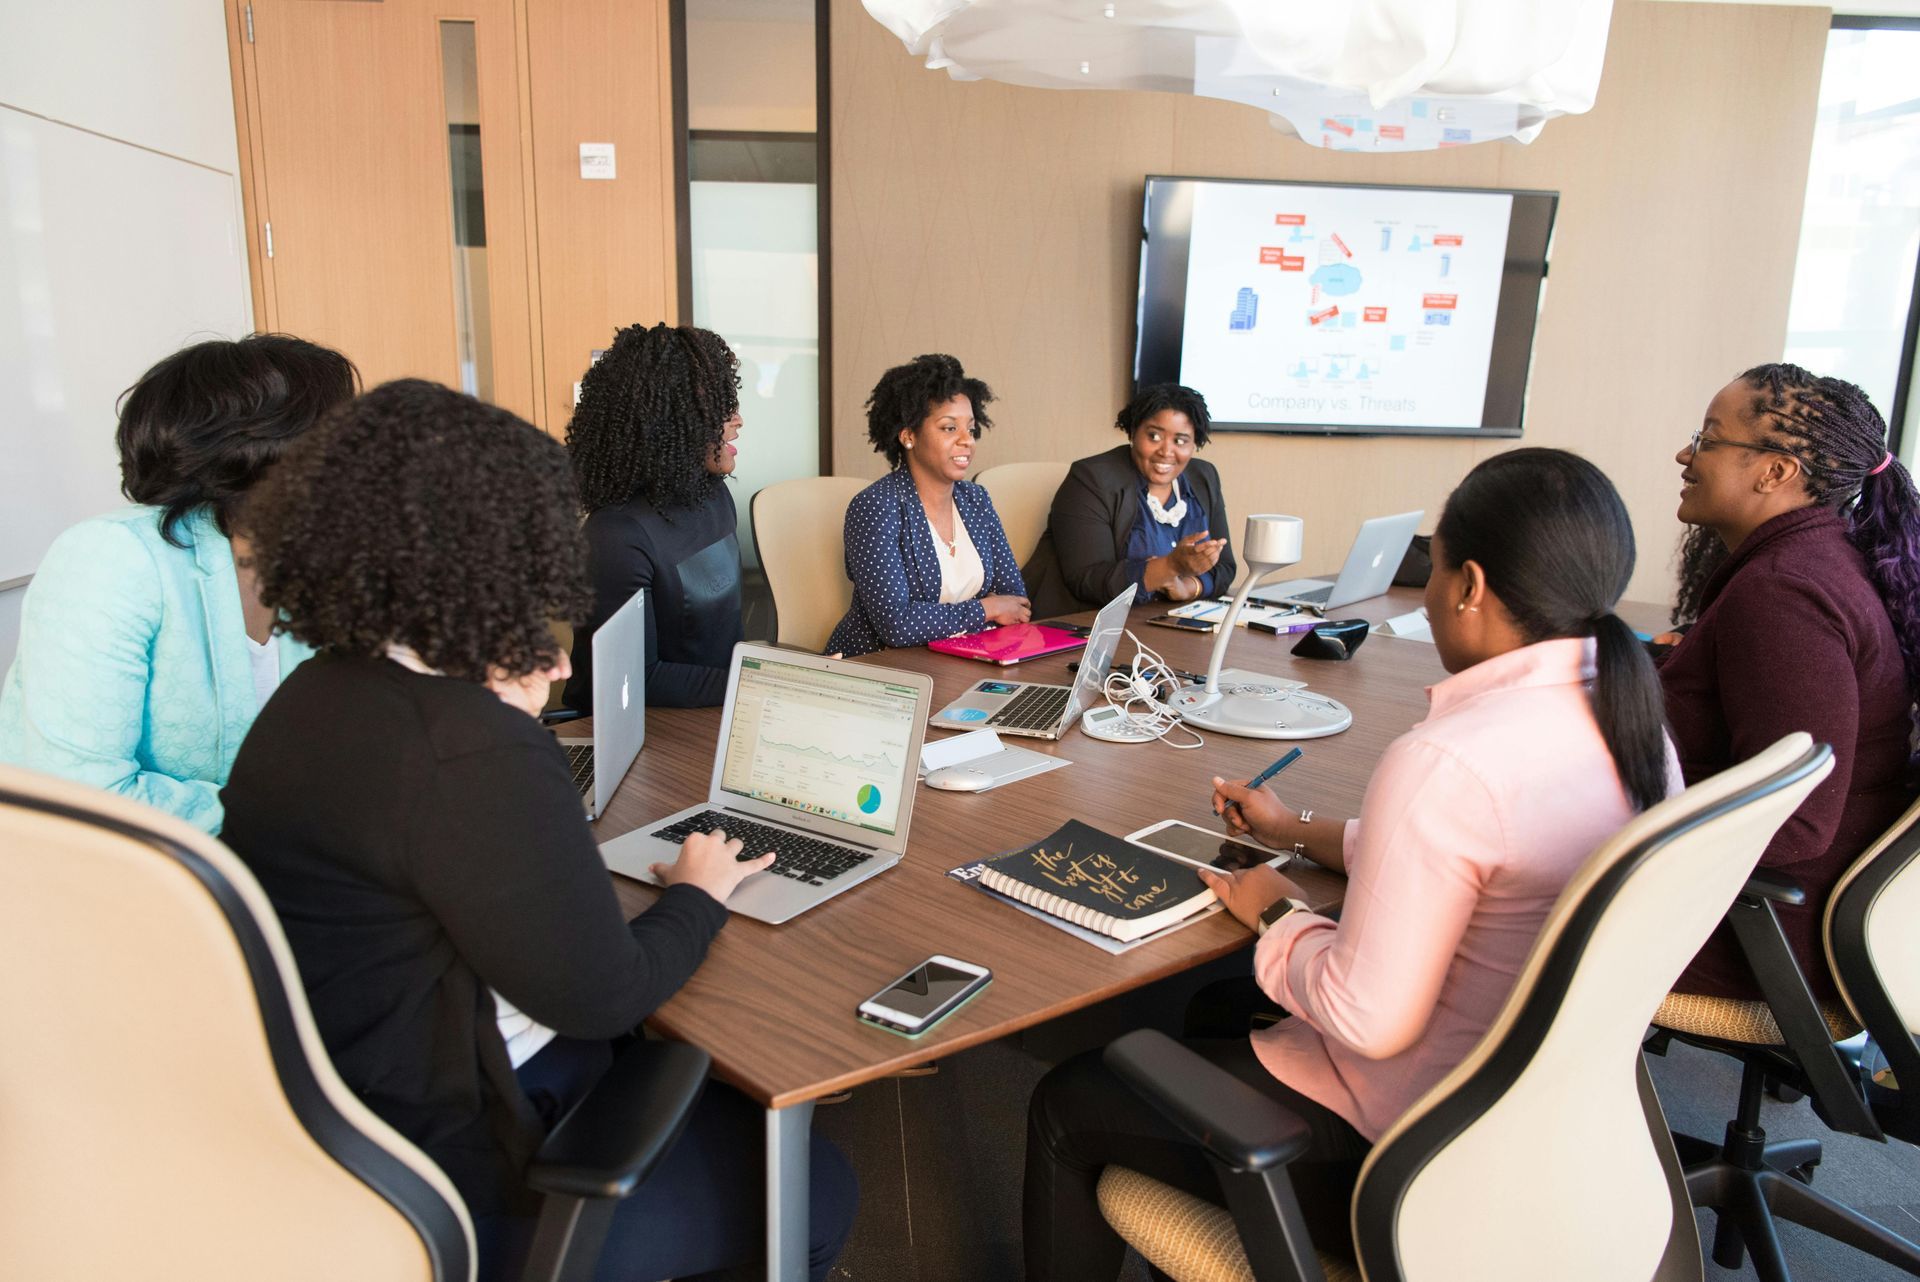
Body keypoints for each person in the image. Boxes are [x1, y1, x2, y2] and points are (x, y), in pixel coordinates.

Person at [218, 379, 854, 1282]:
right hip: (466, 1170)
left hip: (340, 1123)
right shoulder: (464, 745)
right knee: (817, 1192)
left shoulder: (311, 694)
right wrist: (697, 893)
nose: (555, 662)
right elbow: (605, 996)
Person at [1023, 449, 1676, 1275]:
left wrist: (1276, 908)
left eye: (1435, 571)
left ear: (1469, 585)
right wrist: (1293, 828)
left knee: (1064, 1102)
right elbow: (1468, 858)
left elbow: (1367, 1016)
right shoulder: (1635, 726)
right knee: (1216, 1010)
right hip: (1543, 1133)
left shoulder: (1447, 760)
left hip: (1407, 1165)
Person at [0, 333, 356, 832]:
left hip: (259, 862)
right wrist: (296, 819)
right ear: (264, 453)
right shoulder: (112, 558)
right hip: (100, 873)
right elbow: (85, 793)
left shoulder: (319, 565)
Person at [1660, 364, 1918, 1004]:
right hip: (1793, 915)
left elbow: (1795, 821)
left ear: (1775, 472)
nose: (1685, 454)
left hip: (1765, 939)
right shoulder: (1818, 561)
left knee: (1479, 893)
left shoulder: (1783, 594)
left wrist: (1603, 819)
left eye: (1709, 438)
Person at [561, 322, 746, 711]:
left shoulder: (714, 496)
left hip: (713, 711)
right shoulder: (617, 536)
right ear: (670, 423)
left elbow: (722, 641)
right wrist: (759, 686)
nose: (737, 420)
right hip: (636, 729)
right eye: (717, 409)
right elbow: (637, 680)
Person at [825, 353, 1029, 657]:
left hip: (962, 659)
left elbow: (1016, 602)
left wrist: (994, 610)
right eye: (949, 428)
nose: (967, 440)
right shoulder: (876, 507)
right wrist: (986, 609)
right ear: (908, 436)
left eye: (970, 429)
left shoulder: (976, 499)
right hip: (882, 669)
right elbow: (897, 624)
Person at [1023, 383, 1234, 616]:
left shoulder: (1203, 477)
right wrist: (1171, 567)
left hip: (1164, 621)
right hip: (1084, 625)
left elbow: (1224, 568)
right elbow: (1088, 580)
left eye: (1181, 441)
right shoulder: (1091, 479)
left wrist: (1187, 588)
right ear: (1133, 431)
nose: (1166, 451)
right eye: (1154, 436)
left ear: (1195, 443)